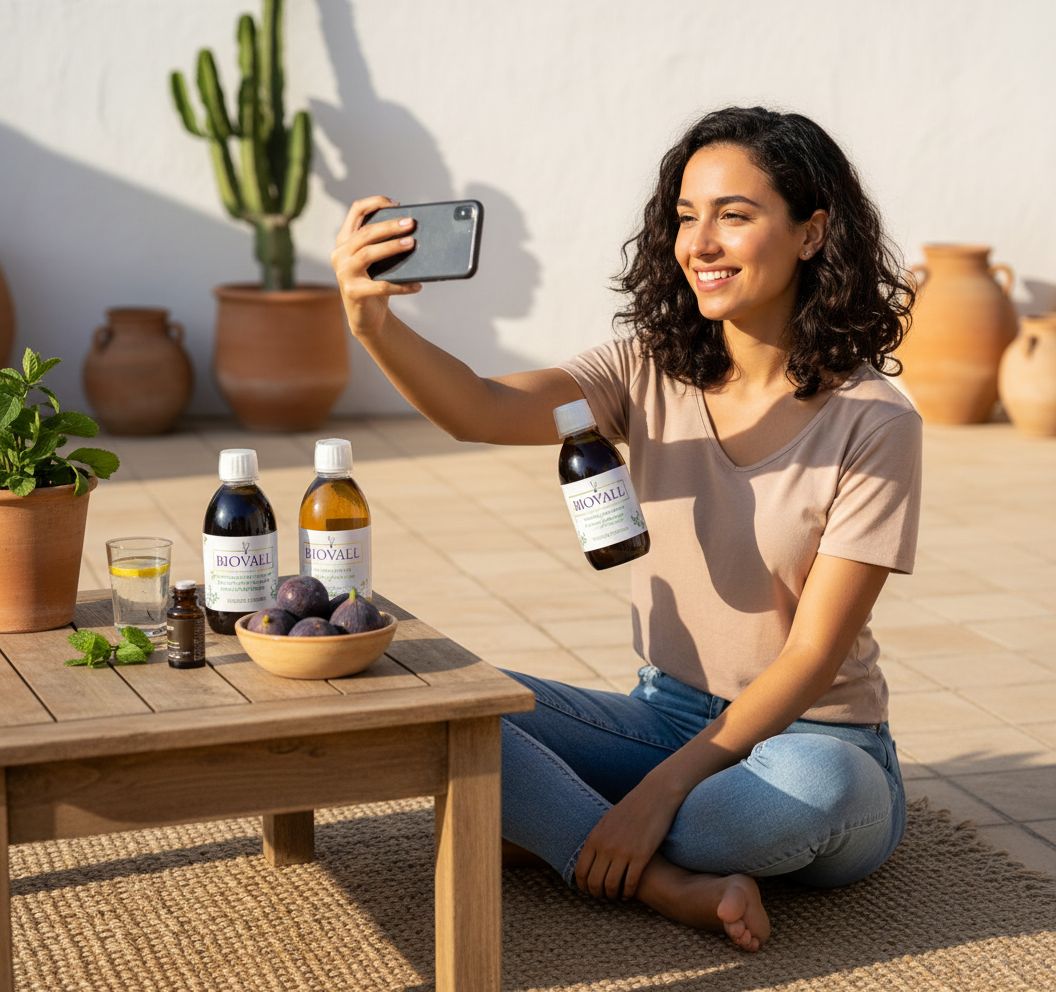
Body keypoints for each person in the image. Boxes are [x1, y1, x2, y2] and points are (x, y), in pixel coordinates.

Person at [330, 106, 921, 954]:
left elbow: (811, 658)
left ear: (812, 232)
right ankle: (653, 877)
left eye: (735, 215)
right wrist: (373, 324)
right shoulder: (646, 367)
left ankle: (574, 826)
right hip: (663, 716)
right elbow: (480, 408)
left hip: (814, 738)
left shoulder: (875, 421)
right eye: (686, 217)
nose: (701, 243)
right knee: (441, 708)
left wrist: (654, 796)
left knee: (786, 801)